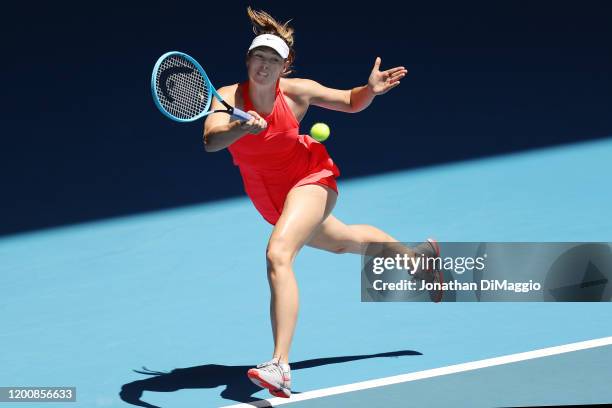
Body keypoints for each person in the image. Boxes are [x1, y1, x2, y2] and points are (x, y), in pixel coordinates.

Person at [203, 7, 441, 399]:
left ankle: (280, 365)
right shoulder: (227, 99)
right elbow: (211, 140)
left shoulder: (296, 93)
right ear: (248, 60)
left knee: (278, 253)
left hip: (310, 180)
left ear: (285, 66)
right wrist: (238, 125)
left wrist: (370, 91)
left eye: (273, 60)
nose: (264, 67)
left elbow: (349, 100)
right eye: (258, 58)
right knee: (345, 241)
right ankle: (419, 260)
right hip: (270, 199)